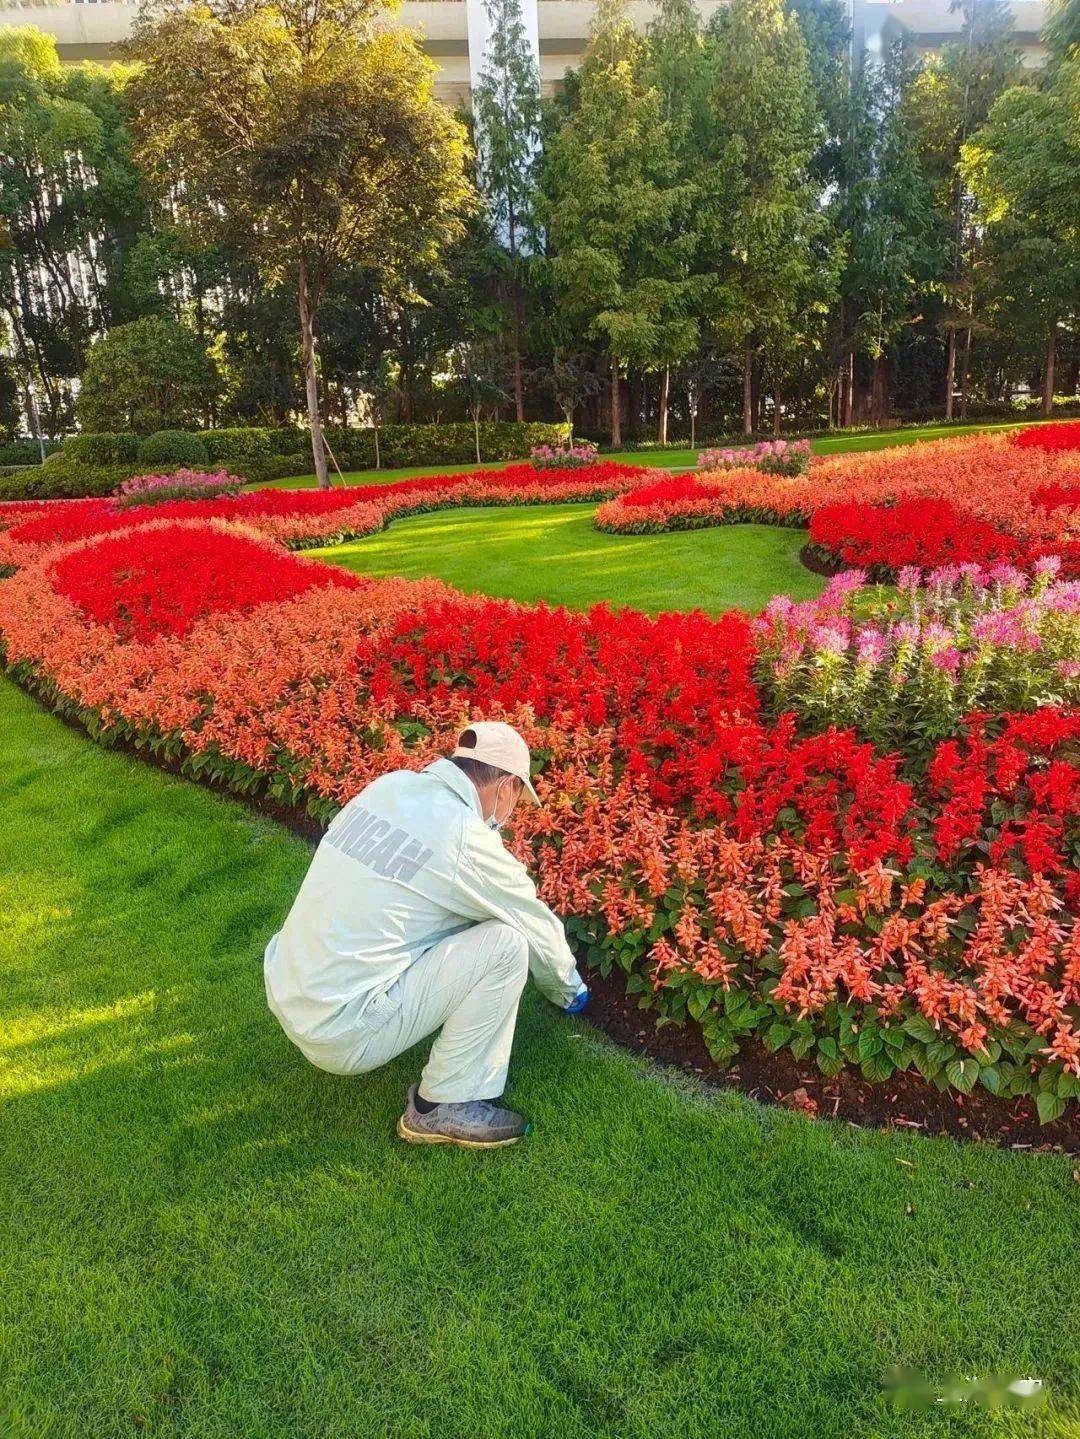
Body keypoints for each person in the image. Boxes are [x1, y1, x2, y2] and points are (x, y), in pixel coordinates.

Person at [264, 721, 589, 1149]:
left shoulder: (391, 786)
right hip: (341, 1031)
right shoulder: (464, 835)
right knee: (508, 944)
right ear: (506, 786)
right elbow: (534, 923)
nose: (512, 811)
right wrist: (570, 992)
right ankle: (442, 1106)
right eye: (517, 799)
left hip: (286, 987)